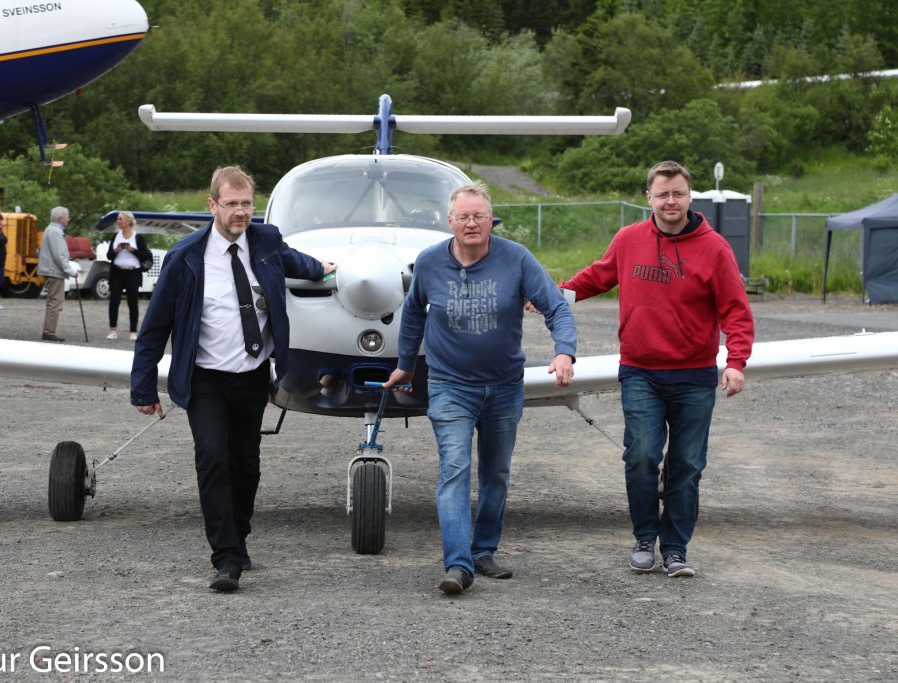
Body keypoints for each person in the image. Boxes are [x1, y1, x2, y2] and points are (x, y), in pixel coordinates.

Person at [130, 166, 335, 593]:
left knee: (246, 463)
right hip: (204, 378)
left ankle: (238, 538)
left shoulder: (266, 241)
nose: (241, 212)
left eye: (247, 204)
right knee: (212, 456)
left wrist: (325, 269)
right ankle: (225, 558)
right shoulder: (185, 257)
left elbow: (297, 262)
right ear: (212, 205)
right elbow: (154, 327)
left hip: (252, 376)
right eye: (231, 204)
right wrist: (143, 387)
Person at [559, 160, 754, 578]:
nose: (670, 201)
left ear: (689, 197)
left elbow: (736, 310)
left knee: (687, 466)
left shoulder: (715, 248)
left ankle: (676, 549)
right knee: (642, 456)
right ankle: (645, 538)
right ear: (648, 197)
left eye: (678, 193)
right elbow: (597, 277)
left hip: (694, 375)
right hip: (641, 371)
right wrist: (554, 297)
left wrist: (736, 362)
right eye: (662, 194)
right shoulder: (628, 239)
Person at [383, 181, 577, 595]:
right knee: (454, 469)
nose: (471, 223)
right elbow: (413, 312)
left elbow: (556, 305)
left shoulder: (516, 259)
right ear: (450, 221)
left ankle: (484, 549)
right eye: (463, 217)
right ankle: (458, 564)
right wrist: (405, 365)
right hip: (450, 385)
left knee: (496, 472)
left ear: (491, 220)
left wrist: (564, 352)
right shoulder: (430, 262)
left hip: (504, 386)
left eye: (479, 216)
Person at [106, 211, 152, 341]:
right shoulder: (115, 236)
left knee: (132, 302)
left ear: (128, 221)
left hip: (133, 273)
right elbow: (109, 256)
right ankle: (112, 330)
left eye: (120, 219)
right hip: (117, 272)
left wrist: (133, 250)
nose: (118, 221)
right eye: (118, 219)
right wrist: (116, 250)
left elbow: (145, 255)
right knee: (114, 301)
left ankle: (133, 331)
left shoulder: (138, 238)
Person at [38, 206, 78, 343]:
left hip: (51, 271)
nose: (68, 219)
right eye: (67, 216)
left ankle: (48, 331)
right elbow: (59, 256)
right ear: (61, 218)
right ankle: (49, 332)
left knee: (52, 301)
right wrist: (70, 271)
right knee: (56, 302)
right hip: (54, 272)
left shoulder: (51, 230)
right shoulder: (55, 232)